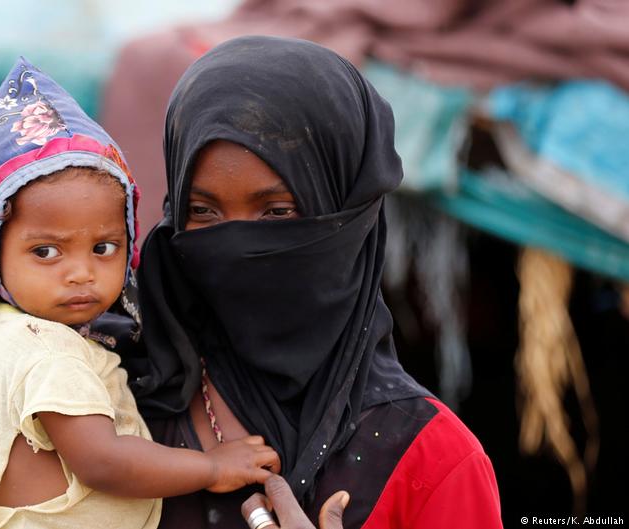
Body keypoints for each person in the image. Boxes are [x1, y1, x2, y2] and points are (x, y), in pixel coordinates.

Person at [115, 35, 504, 529]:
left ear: (349, 217)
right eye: (203, 211)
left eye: (277, 212)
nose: (238, 246)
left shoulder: (432, 461)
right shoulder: (105, 411)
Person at [0, 57, 283, 529]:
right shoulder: (52, 355)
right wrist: (213, 467)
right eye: (47, 251)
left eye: (104, 247)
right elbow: (103, 461)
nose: (81, 273)